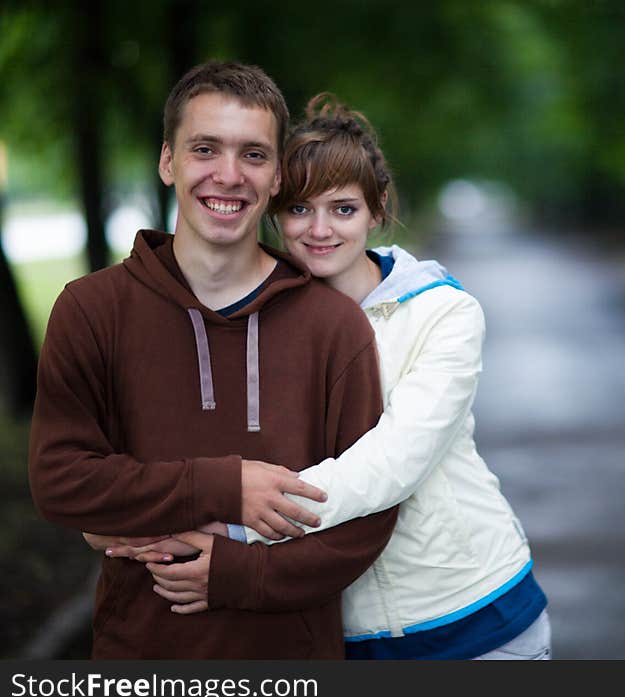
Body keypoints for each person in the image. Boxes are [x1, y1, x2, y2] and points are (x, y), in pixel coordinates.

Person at [104, 93, 551, 660]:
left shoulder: (443, 313)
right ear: (273, 210)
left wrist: (237, 526)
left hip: (474, 614)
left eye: (343, 209)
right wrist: (130, 517)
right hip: (338, 630)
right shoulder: (256, 321)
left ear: (377, 208)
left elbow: (393, 463)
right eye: (299, 209)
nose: (319, 230)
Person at [28, 64, 397, 659]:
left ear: (277, 176)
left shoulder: (332, 326)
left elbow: (369, 516)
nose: (228, 175)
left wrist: (236, 572)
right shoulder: (92, 309)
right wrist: (226, 486)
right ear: (168, 161)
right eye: (206, 149)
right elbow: (62, 481)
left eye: (253, 155)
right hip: (141, 657)